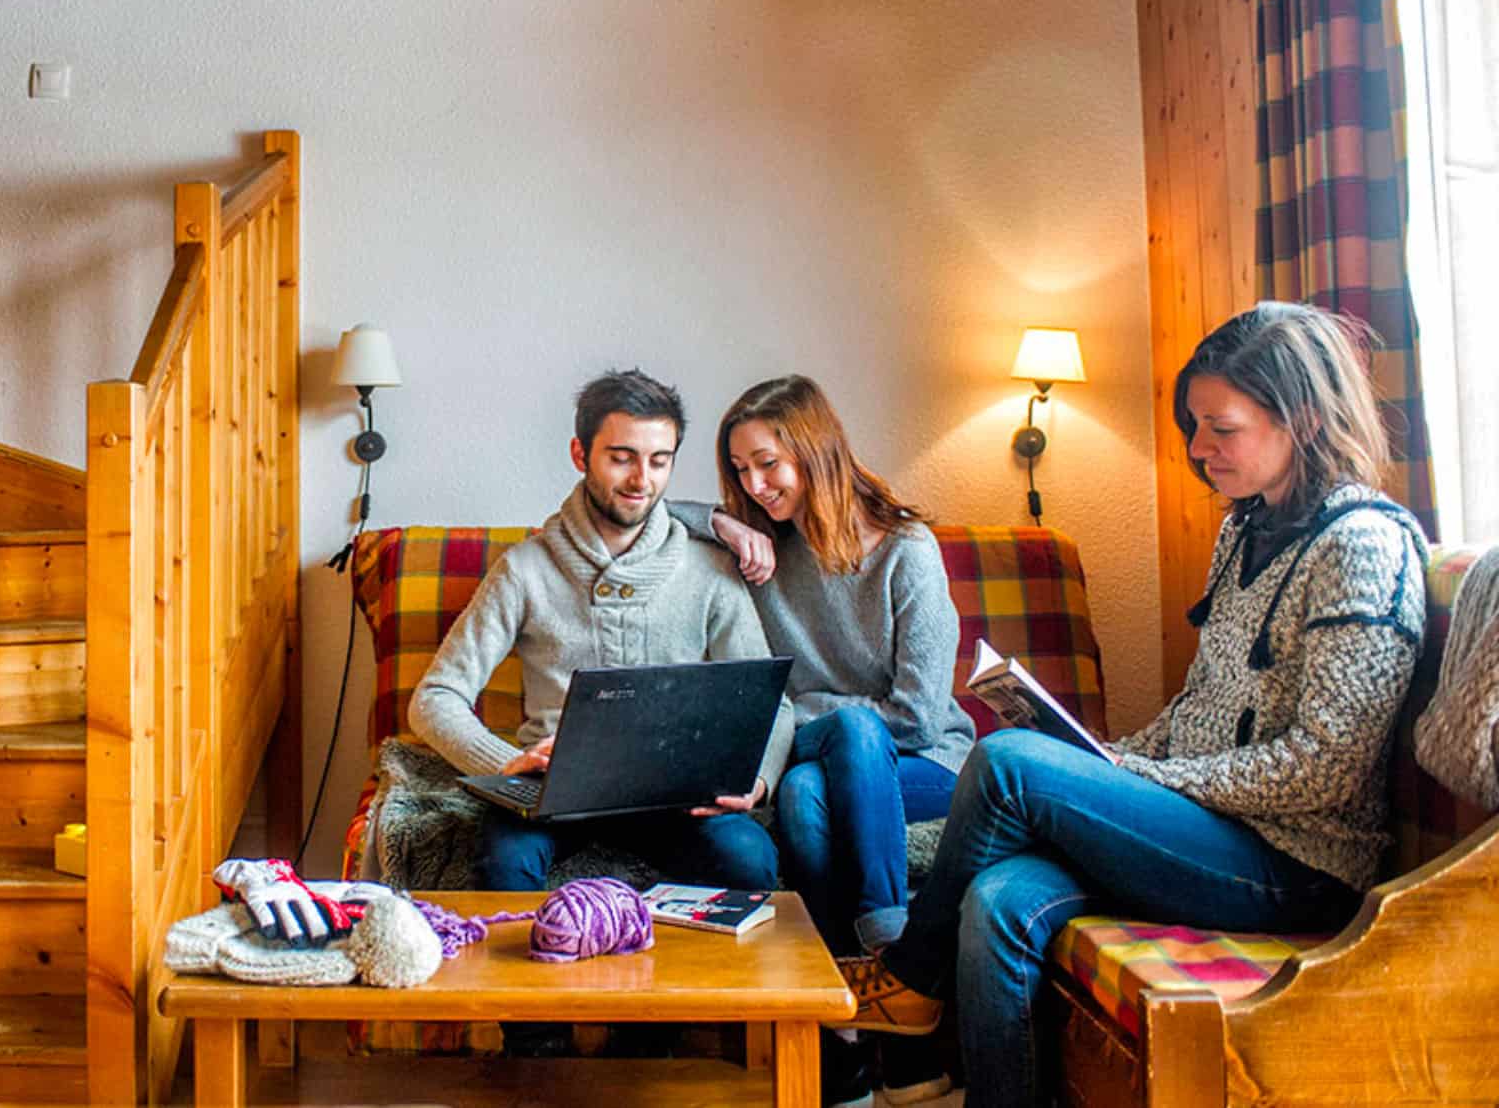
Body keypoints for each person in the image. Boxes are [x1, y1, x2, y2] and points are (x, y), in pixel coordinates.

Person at [844, 302, 1430, 1108]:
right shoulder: (1245, 530)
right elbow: (1201, 706)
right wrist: (1107, 756)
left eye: (1221, 428)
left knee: (1007, 762)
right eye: (1195, 426)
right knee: (998, 899)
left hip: (1298, 864)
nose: (1198, 449)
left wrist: (1146, 779)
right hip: (1213, 829)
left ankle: (911, 978)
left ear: (1302, 418)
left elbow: (1324, 769)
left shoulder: (1363, 545)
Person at [669, 375, 971, 1108]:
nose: (755, 484)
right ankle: (897, 999)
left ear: (815, 450)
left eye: (768, 463)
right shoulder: (763, 550)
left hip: (923, 760)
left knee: (812, 788)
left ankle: (848, 1033)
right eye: (740, 469)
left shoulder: (906, 551)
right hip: (818, 744)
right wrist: (725, 522)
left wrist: (819, 712)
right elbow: (652, 510)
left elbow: (918, 717)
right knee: (831, 752)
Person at [408, 368, 793, 897]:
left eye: (659, 460)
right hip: (552, 793)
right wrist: (505, 763)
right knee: (504, 864)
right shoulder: (524, 569)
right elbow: (434, 698)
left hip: (675, 796)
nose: (642, 480)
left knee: (750, 859)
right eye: (622, 458)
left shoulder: (712, 570)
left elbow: (773, 703)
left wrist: (759, 781)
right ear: (579, 453)